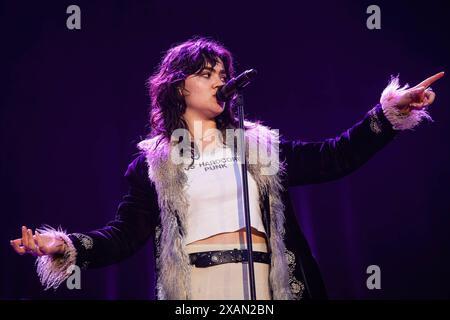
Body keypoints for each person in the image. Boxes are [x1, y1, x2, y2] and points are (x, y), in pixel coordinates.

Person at [10, 37, 444, 300]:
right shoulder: (153, 164)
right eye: (206, 73)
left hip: (264, 282)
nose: (220, 80)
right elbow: (124, 237)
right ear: (178, 85)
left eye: (223, 72)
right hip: (199, 289)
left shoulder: (257, 147)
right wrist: (63, 246)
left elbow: (334, 157)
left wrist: (387, 114)